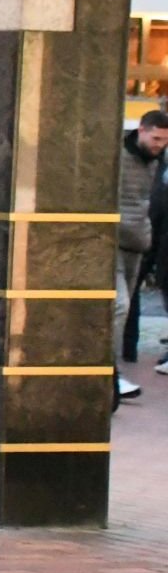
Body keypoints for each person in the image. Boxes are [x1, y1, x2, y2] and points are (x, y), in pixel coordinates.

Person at [113, 111, 168, 399]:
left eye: (165, 140)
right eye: (156, 138)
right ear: (142, 130)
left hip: (138, 241)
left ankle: (110, 371)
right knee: (119, 305)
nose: (160, 144)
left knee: (121, 309)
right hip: (113, 241)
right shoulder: (119, 155)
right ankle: (110, 373)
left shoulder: (157, 160)